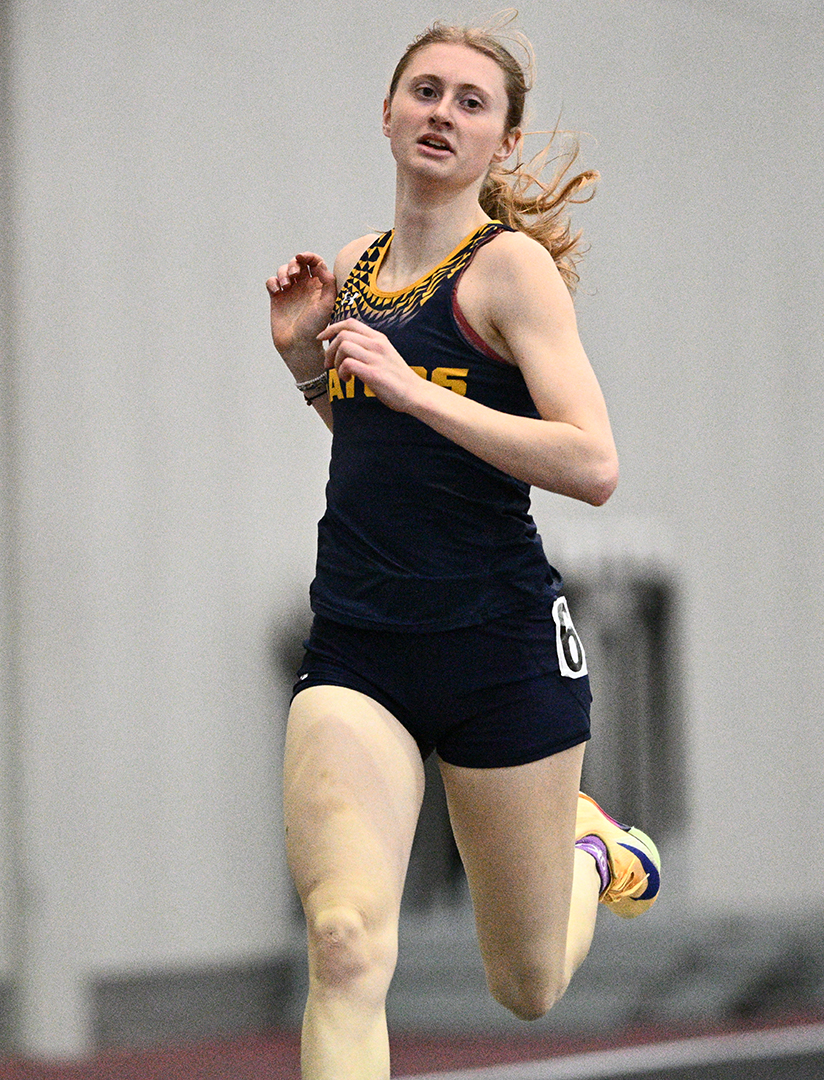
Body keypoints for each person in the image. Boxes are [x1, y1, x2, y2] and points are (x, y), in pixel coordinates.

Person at [265, 18, 660, 1080]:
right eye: (425, 91)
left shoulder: (511, 272)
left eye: (471, 101)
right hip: (360, 644)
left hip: (497, 647)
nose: (442, 112)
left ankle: (594, 853)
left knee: (525, 987)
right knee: (345, 942)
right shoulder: (355, 266)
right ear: (388, 114)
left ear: (506, 144)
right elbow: (384, 447)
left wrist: (400, 381)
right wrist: (312, 364)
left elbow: (592, 461)